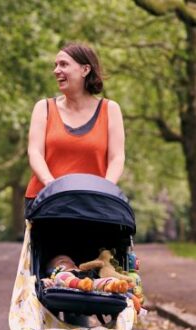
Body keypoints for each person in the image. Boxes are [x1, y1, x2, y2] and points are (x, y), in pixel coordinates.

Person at [25, 42, 125, 212]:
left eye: (63, 64)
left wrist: (105, 190)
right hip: (47, 202)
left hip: (93, 205)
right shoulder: (44, 108)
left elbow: (116, 158)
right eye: (55, 65)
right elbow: (35, 152)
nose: (56, 70)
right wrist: (53, 186)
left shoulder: (110, 109)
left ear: (85, 70)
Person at [42, 254, 129, 294]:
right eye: (61, 261)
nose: (65, 261)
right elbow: (47, 281)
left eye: (69, 260)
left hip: (89, 282)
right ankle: (79, 284)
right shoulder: (56, 273)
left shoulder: (79, 268)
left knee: (104, 281)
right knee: (60, 277)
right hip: (69, 281)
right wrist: (44, 281)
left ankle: (114, 285)